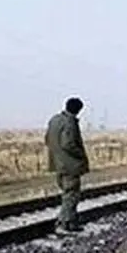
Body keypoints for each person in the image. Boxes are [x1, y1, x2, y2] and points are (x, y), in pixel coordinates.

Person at [44, 97, 90, 235]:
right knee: (71, 195)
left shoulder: (54, 120)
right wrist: (81, 154)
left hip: (58, 164)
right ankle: (63, 224)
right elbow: (68, 144)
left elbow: (47, 139)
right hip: (70, 165)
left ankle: (71, 223)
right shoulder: (70, 122)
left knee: (67, 194)